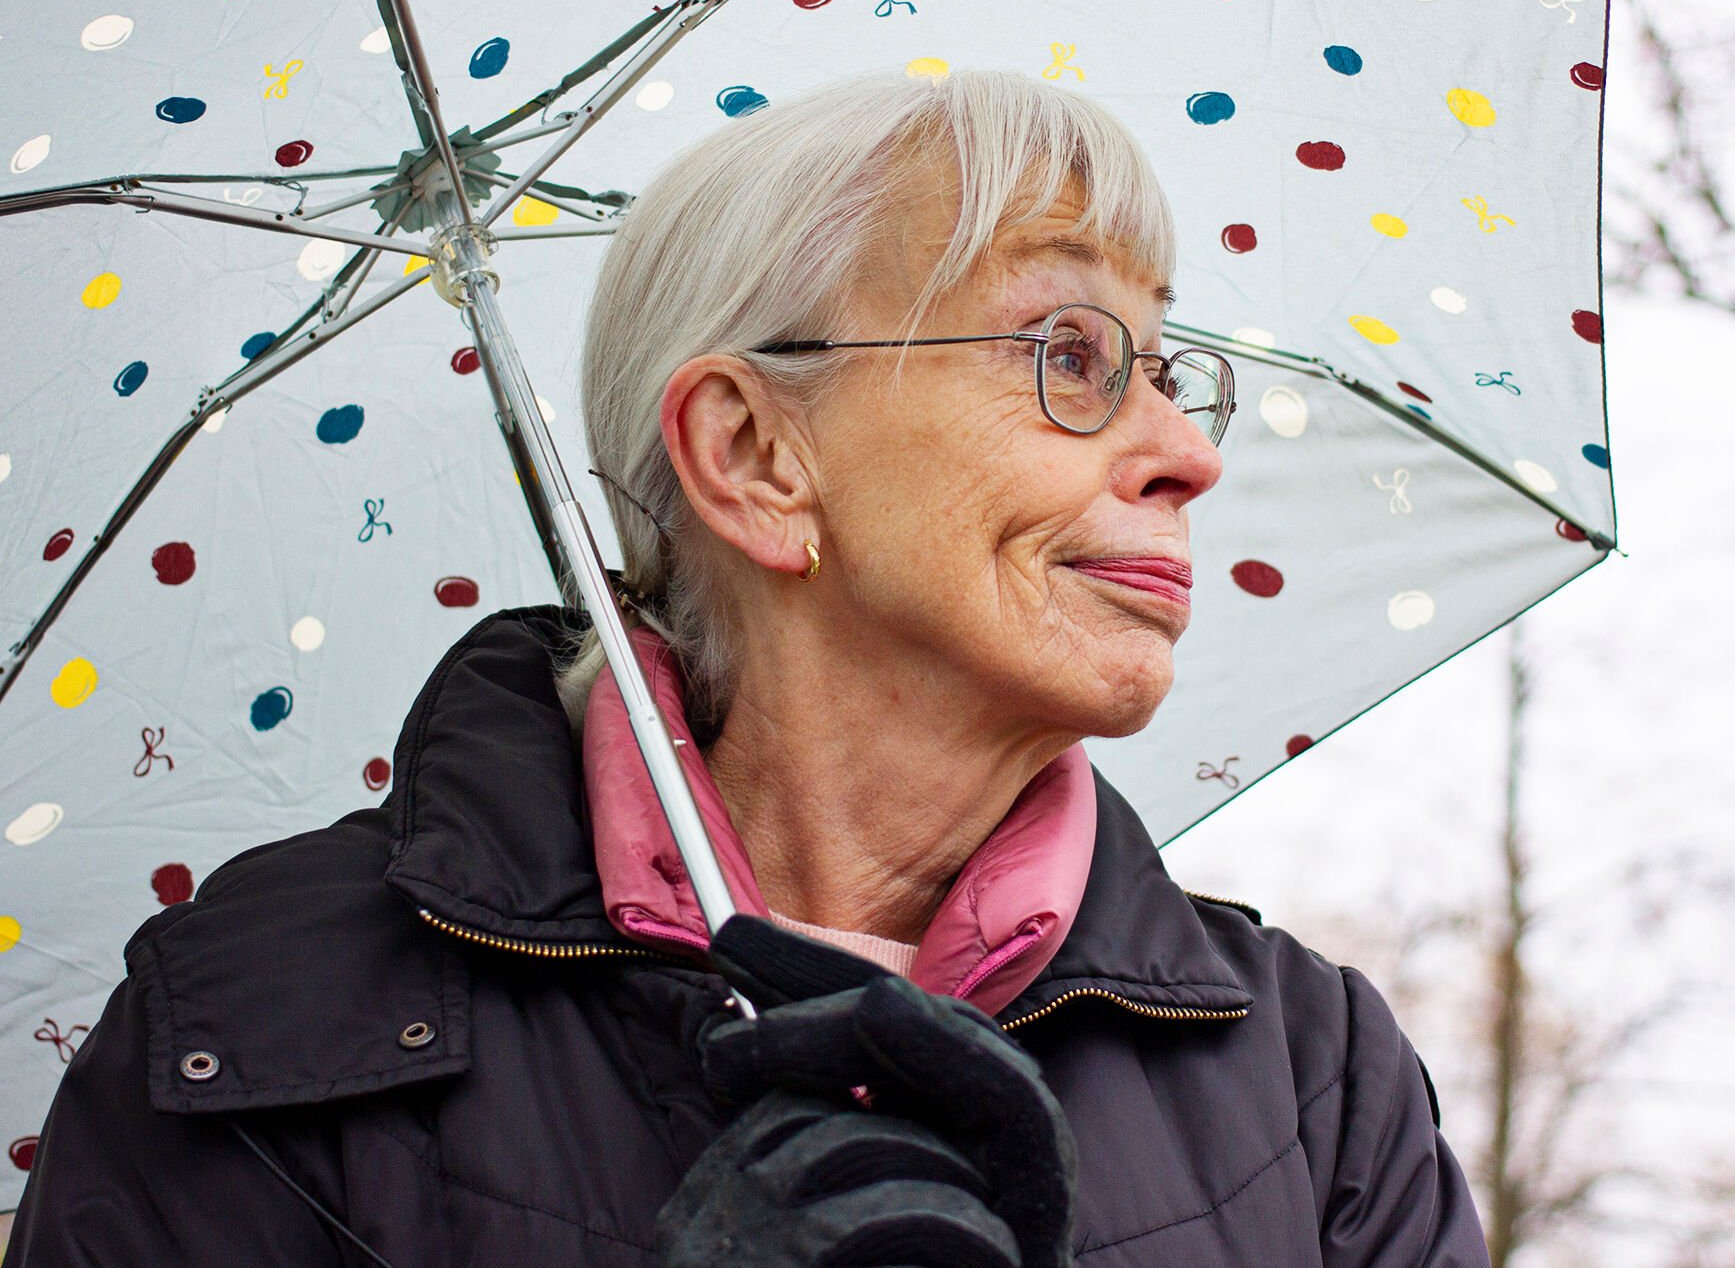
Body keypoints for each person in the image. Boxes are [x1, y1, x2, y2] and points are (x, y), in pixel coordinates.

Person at [8, 71, 1487, 1266]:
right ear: (754, 454)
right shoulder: (265, 1014)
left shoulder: (1310, 1077)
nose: (1187, 455)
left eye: (1169, 370)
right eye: (1069, 352)